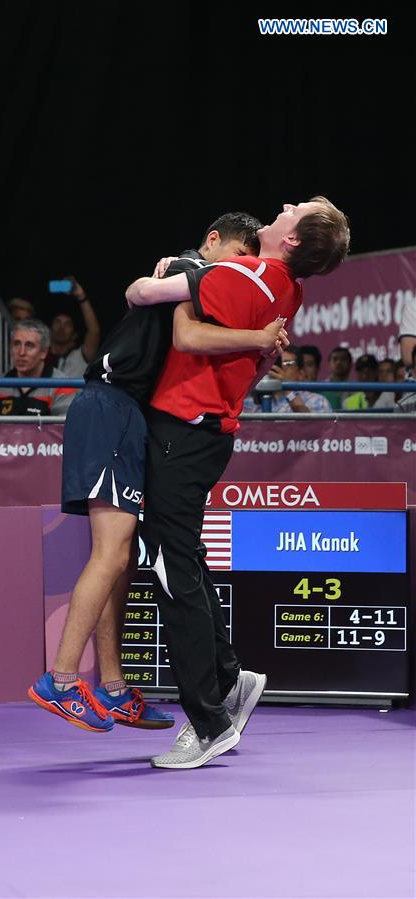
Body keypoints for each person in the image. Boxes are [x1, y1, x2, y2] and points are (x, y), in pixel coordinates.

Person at [28, 212, 289, 733]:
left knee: (121, 559)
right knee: (111, 554)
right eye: (241, 253)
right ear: (214, 241)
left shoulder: (204, 286)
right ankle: (58, 679)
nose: (245, 267)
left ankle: (114, 686)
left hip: (128, 417)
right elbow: (142, 293)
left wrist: (260, 344)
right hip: (110, 409)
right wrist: (257, 333)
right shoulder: (195, 269)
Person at [124, 197, 350, 768]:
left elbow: (149, 302)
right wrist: (197, 279)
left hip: (182, 431)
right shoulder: (287, 288)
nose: (282, 207)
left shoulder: (249, 273)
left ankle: (207, 723)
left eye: (292, 211)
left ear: (293, 241)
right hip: (202, 434)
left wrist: (181, 269)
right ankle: (229, 679)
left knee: (173, 573)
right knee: (187, 561)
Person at [0, 318, 76, 416]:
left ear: (44, 352)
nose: (21, 352)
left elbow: (64, 429)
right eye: (17, 344)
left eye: (29, 345)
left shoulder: (62, 385)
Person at [245, 345, 332, 412]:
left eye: (288, 364)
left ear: (301, 373)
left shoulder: (317, 400)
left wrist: (287, 389)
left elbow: (312, 428)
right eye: (278, 363)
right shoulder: (254, 402)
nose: (281, 367)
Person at [46, 277, 101, 377]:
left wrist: (81, 295)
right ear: (49, 329)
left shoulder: (80, 356)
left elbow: (94, 331)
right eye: (58, 322)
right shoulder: (40, 355)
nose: (61, 327)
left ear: (74, 335)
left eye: (67, 324)